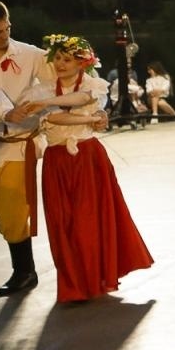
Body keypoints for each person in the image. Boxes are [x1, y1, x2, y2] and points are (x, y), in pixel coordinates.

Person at [0, 0, 95, 314]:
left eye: (7, 27)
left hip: (18, 148)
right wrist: (7, 110)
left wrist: (86, 95)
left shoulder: (30, 54)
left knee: (12, 217)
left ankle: (25, 271)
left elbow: (66, 74)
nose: (4, 35)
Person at [21, 35, 154, 303]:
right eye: (57, 58)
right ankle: (73, 284)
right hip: (57, 160)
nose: (60, 63)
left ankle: (96, 278)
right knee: (62, 222)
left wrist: (90, 115)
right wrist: (91, 117)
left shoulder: (94, 86)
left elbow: (81, 99)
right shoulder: (42, 89)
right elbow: (56, 116)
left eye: (67, 59)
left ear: (82, 63)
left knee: (89, 220)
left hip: (88, 157)